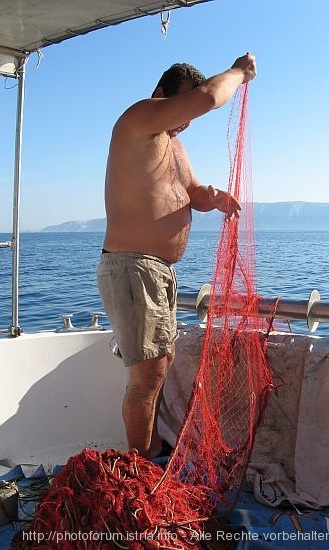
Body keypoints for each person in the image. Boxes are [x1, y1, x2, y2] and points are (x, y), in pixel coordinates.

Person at [98, 52, 257, 459]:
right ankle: (138, 472)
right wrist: (238, 73)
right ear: (161, 95)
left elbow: (193, 193)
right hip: (133, 266)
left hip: (159, 272)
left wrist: (215, 198)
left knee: (161, 363)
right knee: (147, 375)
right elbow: (207, 98)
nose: (185, 121)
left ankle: (147, 454)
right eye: (180, 108)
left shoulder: (174, 144)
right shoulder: (141, 116)